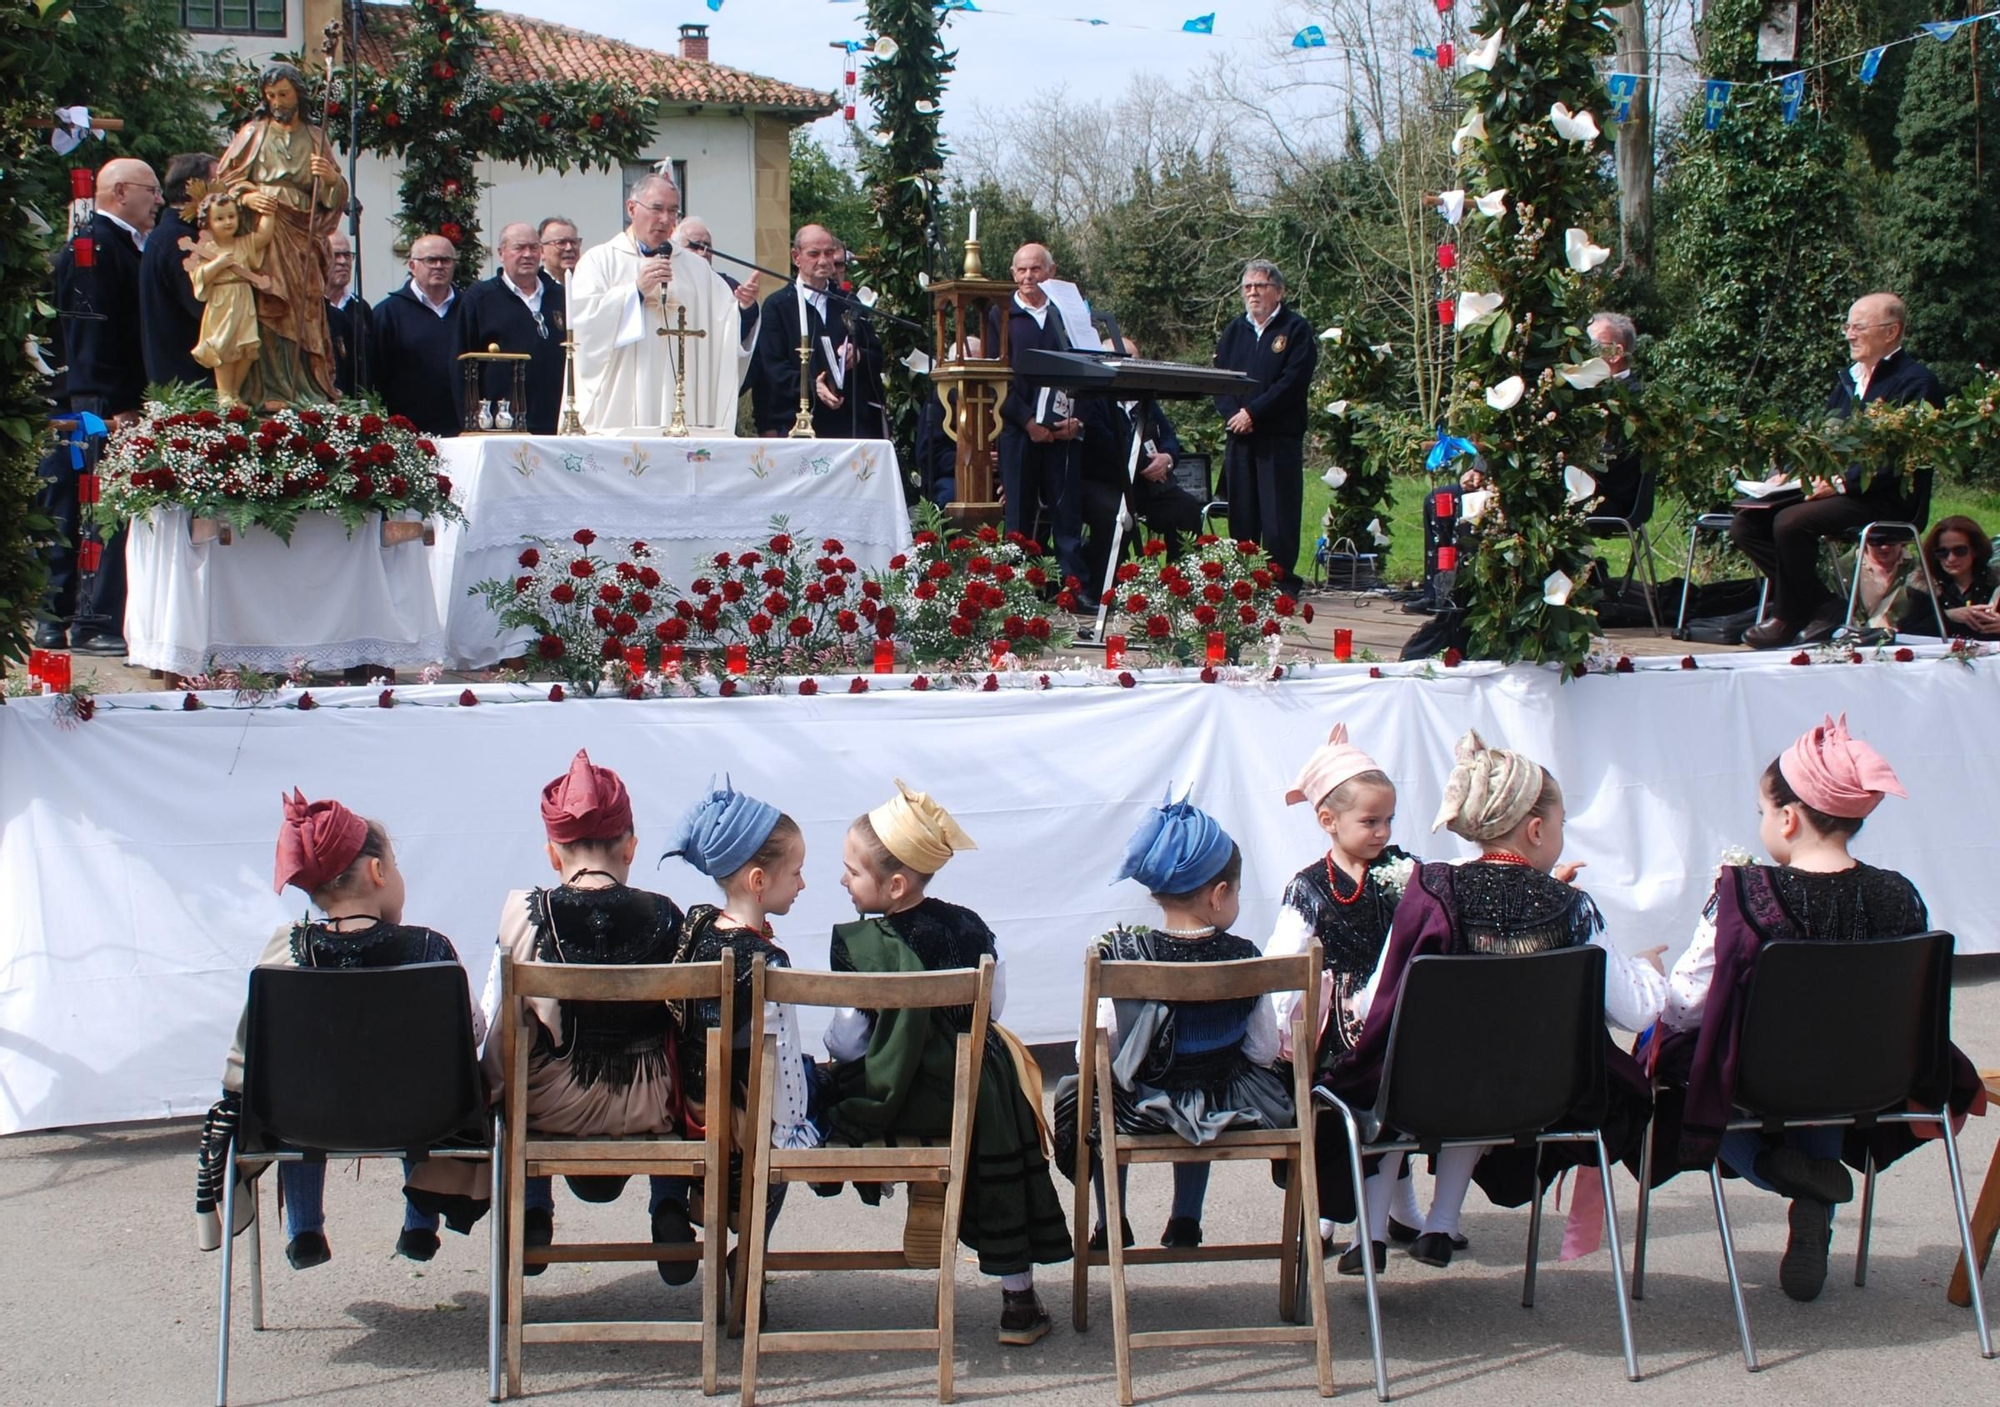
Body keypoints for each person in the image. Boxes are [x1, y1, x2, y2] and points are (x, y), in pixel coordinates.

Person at [1653, 716, 1981, 1301]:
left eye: (1761, 810)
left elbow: (1686, 1003)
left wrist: (1671, 974)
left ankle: (1780, 1172)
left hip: (1762, 1080)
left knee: (1674, 1065)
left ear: (1788, 817)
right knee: (1828, 1066)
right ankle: (1815, 1204)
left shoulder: (1747, 896)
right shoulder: (1900, 893)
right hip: (1876, 1079)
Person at [1316, 731, 1664, 1276]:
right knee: (1477, 1069)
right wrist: (1649, 971)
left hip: (1424, 1095)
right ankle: (1439, 1221)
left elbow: (1377, 997)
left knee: (1390, 1081)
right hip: (1539, 1099)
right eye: (1562, 825)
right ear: (1536, 829)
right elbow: (1638, 1012)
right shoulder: (1572, 906)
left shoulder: (1431, 891)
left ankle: (1374, 1233)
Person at [817, 780, 1071, 1347]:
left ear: (896, 884)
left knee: (830, 1081)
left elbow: (852, 1039)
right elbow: (994, 1007)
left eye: (852, 872)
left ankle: (920, 1190)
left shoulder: (858, 944)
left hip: (895, 1097)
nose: (843, 880)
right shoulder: (970, 926)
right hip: (967, 1093)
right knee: (995, 1106)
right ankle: (1018, 1305)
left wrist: (835, 1055)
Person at [192, 791, 490, 1268]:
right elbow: (471, 1033)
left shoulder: (284, 952)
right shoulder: (431, 951)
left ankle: (305, 1230)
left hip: (307, 1118)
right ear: (377, 873)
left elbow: (251, 1051)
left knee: (297, 1099)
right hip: (419, 1117)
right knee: (417, 1087)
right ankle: (420, 1223)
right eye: (394, 864)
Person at [1051, 794, 1292, 1256]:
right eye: (1237, 891)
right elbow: (1263, 1049)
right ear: (1219, 894)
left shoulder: (1123, 955)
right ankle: (1186, 1220)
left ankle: (1111, 1222)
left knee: (1097, 1096)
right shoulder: (1245, 956)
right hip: (1227, 1105)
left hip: (1142, 1109)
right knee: (1206, 1088)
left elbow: (1093, 1051)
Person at [494, 751, 690, 1282]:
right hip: (652, 1105)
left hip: (553, 1109)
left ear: (553, 854)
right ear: (631, 846)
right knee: (675, 1038)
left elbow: (500, 1027)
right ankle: (670, 1203)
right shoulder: (667, 913)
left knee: (521, 1040)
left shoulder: (528, 911)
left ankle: (534, 1208)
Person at [1262, 725, 1431, 1250]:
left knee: (1399, 1098)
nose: (1382, 832)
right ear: (1328, 821)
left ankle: (1402, 1211)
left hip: (1396, 1013)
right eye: (1370, 821)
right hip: (1336, 1022)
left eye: (1388, 821)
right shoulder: (1311, 886)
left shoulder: (1407, 872)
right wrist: (1276, 1024)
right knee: (1332, 1106)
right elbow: (1286, 954)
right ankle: (1327, 1210)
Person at [659, 781, 819, 1292]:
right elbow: (783, 1068)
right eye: (795, 873)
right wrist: (798, 1127)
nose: (802, 884)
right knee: (800, 1115)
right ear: (758, 881)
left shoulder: (696, 926)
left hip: (689, 1104)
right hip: (740, 1122)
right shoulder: (769, 963)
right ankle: (748, 1254)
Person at [1734, 292, 1945, 649]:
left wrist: (1842, 483)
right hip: (1837, 490)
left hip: (1885, 497)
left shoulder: (1917, 383)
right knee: (1746, 524)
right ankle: (1823, 605)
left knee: (1791, 521)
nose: (1849, 334)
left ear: (1892, 331)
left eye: (1859, 326)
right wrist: (1789, 472)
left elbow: (1902, 456)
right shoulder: (1848, 381)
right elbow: (1820, 437)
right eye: (1848, 325)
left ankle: (1789, 615)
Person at [43, 156, 159, 655]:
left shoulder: (127, 247)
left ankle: (85, 617)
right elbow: (86, 330)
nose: (158, 200)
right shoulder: (94, 247)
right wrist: (102, 404)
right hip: (95, 403)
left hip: (109, 398)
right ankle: (84, 621)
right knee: (89, 512)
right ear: (119, 193)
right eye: (150, 190)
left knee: (99, 512)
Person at [569, 174, 753, 434]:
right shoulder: (599, 261)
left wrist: (745, 308)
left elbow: (723, 325)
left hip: (684, 399)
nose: (665, 219)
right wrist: (635, 292)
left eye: (673, 211)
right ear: (631, 208)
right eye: (657, 208)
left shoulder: (696, 268)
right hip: (624, 401)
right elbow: (583, 330)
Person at [213, 62, 349, 407]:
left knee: (305, 310)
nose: (277, 101)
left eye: (283, 94)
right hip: (266, 227)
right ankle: (270, 390)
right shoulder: (252, 134)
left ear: (298, 95)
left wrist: (331, 179)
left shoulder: (316, 136)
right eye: (271, 95)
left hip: (304, 233)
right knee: (270, 305)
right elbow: (223, 183)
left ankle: (307, 384)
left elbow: (335, 195)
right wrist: (246, 195)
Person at [1214, 260, 1317, 593]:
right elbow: (1221, 379)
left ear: (1280, 292)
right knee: (1242, 514)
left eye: (1261, 286)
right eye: (1248, 287)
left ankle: (1279, 581)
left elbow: (1291, 383)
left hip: (1277, 437)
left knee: (1278, 516)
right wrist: (1233, 415)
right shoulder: (1234, 330)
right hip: (1239, 438)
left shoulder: (1295, 330)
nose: (1253, 293)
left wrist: (1253, 413)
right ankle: (1244, 580)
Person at [987, 243, 1087, 590]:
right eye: (1022, 270)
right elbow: (995, 378)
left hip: (1065, 431)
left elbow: (1088, 365)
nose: (1028, 277)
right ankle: (1016, 592)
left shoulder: (1069, 313)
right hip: (1019, 430)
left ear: (1052, 271)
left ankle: (1073, 590)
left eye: (1036, 269)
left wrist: (1077, 419)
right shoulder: (1000, 316)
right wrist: (1028, 422)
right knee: (1018, 515)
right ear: (1013, 274)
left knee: (1067, 515)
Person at [1078, 337, 1204, 588]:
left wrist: (1167, 458)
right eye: (1119, 358)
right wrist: (1146, 464)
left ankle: (1184, 584)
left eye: (1132, 359)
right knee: (1115, 514)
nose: (1127, 365)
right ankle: (1102, 589)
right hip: (1106, 482)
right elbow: (1105, 444)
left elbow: (1168, 436)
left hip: (1148, 484)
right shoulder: (1093, 400)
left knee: (1186, 508)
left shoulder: (1145, 400)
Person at [750, 224, 874, 439]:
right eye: (814, 254)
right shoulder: (778, 306)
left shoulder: (847, 303)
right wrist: (812, 387)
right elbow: (772, 368)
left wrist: (859, 354)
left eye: (829, 253)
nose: (824, 261)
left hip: (847, 424)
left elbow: (875, 352)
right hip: (794, 423)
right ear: (796, 257)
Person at [457, 222, 566, 434]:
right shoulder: (480, 298)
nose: (528, 254)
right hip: (502, 424)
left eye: (534, 247)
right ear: (501, 253)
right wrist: (470, 421)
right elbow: (462, 363)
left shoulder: (560, 296)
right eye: (519, 247)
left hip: (556, 420)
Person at [184, 193, 277, 408]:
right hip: (221, 301)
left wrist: (268, 212)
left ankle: (235, 392)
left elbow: (263, 236)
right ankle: (224, 393)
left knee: (247, 345)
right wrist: (216, 265)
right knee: (224, 346)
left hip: (243, 297)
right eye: (220, 218)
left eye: (231, 217)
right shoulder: (206, 248)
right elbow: (197, 275)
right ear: (208, 222)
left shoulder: (243, 243)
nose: (227, 222)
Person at [139, 151, 218, 390]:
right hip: (191, 387)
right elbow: (209, 309)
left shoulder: (172, 236)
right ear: (194, 189)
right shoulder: (181, 242)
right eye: (220, 184)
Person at [372, 234, 463, 435]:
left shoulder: (469, 310)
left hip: (462, 430)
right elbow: (376, 375)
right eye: (430, 260)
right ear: (412, 266)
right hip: (408, 431)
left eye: (446, 260)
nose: (439, 266)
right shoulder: (388, 313)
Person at [1900, 515, 2000, 639]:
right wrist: (1947, 616)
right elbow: (1906, 632)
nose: (1951, 559)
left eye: (1960, 551)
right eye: (1942, 552)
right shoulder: (1923, 587)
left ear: (1975, 549)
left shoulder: (1996, 584)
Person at [674, 214, 760, 345]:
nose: (702, 252)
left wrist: (746, 307)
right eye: (694, 245)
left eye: (707, 245)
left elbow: (737, 336)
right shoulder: (665, 284)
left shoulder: (728, 287)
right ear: (677, 249)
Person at [323, 230, 372, 397]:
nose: (343, 261)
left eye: (347, 255)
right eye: (335, 255)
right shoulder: (310, 308)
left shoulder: (360, 308)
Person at [537, 215, 581, 283]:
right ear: (542, 251)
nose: (569, 248)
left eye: (573, 242)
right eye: (561, 243)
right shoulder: (534, 286)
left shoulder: (589, 281)